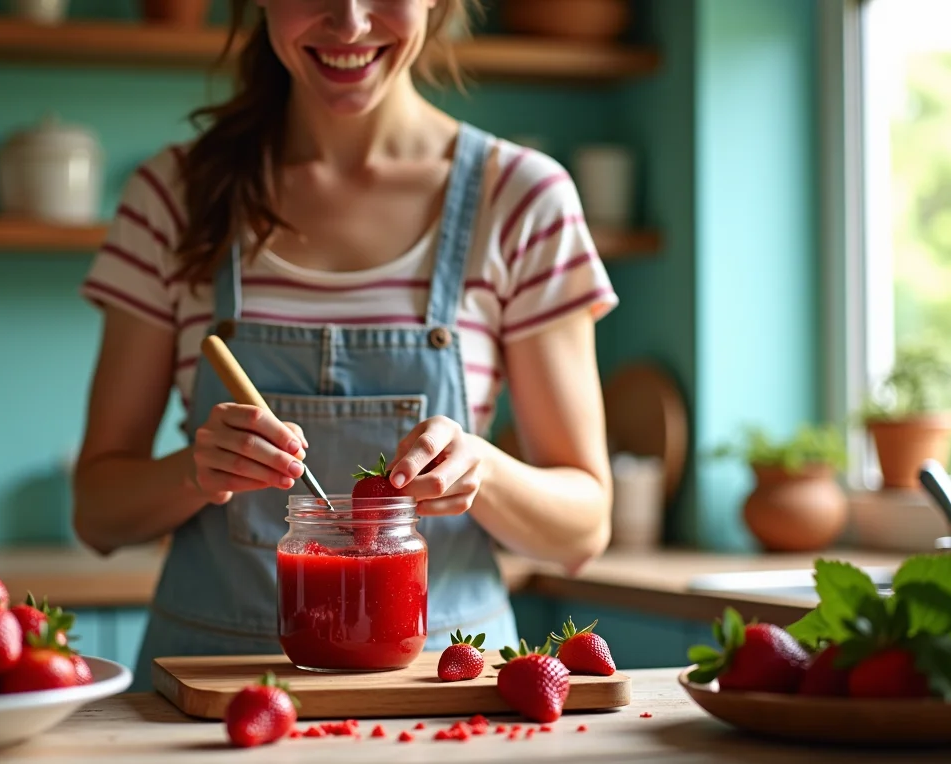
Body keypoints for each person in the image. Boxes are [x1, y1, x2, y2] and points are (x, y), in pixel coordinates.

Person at [73, 0, 619, 690]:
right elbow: (96, 513)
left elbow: (584, 527)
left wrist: (483, 471)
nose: (352, 22)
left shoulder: (522, 199)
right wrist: (194, 471)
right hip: (212, 697)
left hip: (440, 690)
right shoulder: (171, 198)